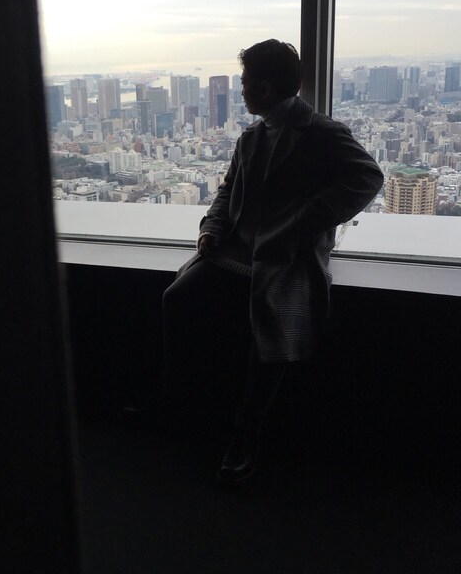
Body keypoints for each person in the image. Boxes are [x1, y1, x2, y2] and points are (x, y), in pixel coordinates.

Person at [161, 39, 384, 485]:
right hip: (235, 252)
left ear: (264, 88)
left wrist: (303, 223)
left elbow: (368, 177)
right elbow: (228, 191)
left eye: (245, 83)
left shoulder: (321, 133)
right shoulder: (252, 137)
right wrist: (211, 228)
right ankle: (196, 410)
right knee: (177, 298)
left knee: (269, 338)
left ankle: (244, 438)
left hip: (288, 257)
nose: (241, 90)